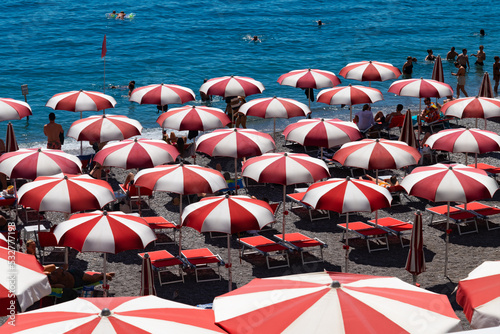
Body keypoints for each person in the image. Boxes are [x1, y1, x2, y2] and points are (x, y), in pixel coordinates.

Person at [47, 267, 115, 289]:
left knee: (92, 278)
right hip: (76, 283)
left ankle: (103, 274)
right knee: (89, 282)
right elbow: (62, 286)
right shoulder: (53, 284)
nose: (53, 278)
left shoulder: (54, 272)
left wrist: (62, 272)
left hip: (75, 274)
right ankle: (102, 276)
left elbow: (64, 267)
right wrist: (53, 285)